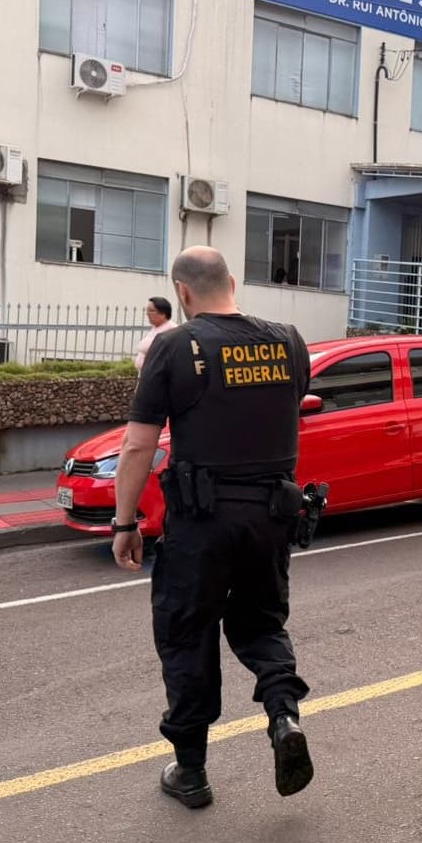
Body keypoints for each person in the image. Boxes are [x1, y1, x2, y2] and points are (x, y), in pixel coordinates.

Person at [111, 246, 316, 808]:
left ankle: (192, 771)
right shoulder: (290, 340)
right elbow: (287, 407)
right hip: (273, 515)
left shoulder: (174, 345)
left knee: (187, 634)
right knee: (261, 624)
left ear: (181, 293)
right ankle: (284, 719)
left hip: (201, 523)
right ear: (235, 279)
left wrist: (125, 522)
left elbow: (137, 445)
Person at [134, 296, 177, 372]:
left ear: (163, 313)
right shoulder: (155, 328)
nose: (147, 314)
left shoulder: (172, 330)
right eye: (147, 311)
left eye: (151, 311)